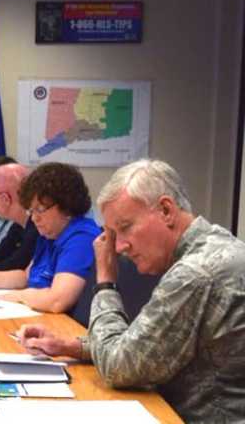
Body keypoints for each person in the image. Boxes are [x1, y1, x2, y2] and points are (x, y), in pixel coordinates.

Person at [15, 159, 245, 422]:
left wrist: (105, 282)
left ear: (166, 211)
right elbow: (148, 345)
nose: (120, 246)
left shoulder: (194, 274)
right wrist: (73, 346)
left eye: (125, 228)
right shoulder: (215, 247)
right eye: (113, 234)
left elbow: (119, 367)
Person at [0, 162, 100, 313]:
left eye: (40, 209)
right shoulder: (50, 233)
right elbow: (25, 276)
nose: (35, 218)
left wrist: (18, 296)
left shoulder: (82, 238)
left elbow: (57, 300)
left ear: (66, 203)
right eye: (32, 210)